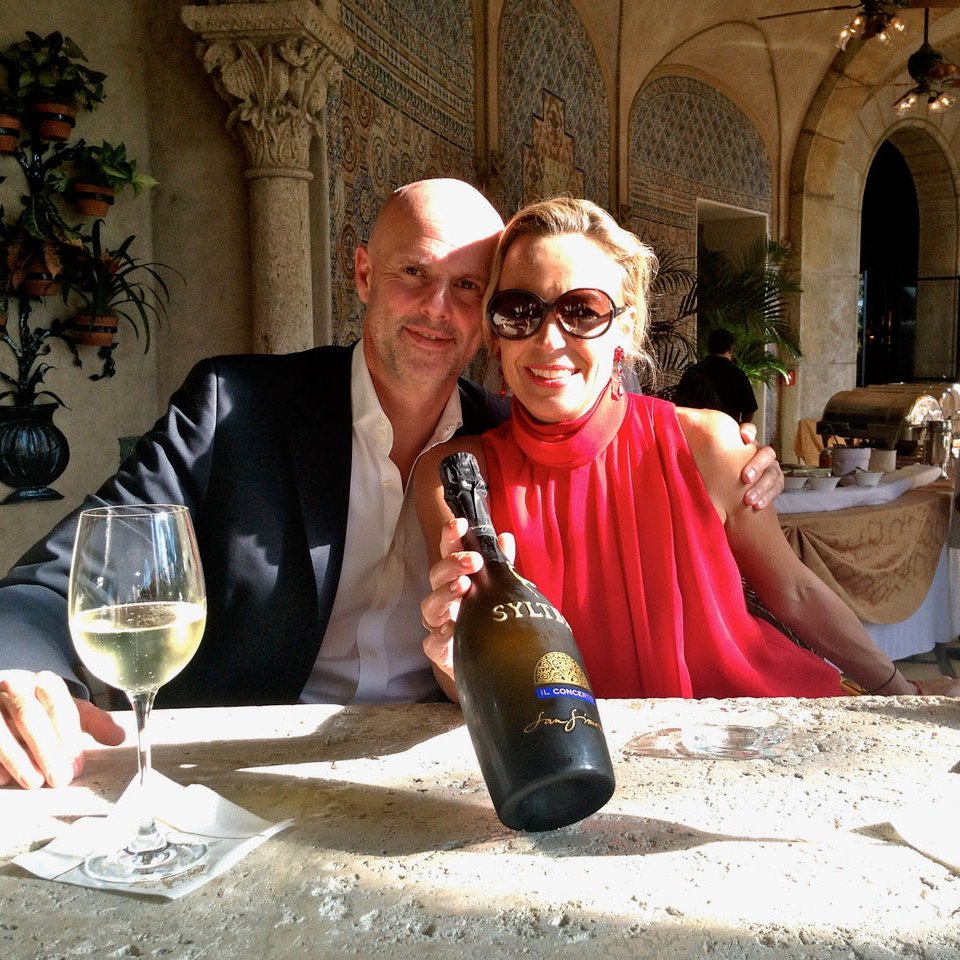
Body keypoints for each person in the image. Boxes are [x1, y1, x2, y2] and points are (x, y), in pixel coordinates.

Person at [0, 180, 783, 790]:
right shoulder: (233, 408)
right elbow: (68, 573)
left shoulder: (509, 441)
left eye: (470, 287)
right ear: (364, 273)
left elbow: (622, 452)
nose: (439, 310)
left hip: (447, 762)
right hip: (245, 770)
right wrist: (12, 667)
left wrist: (743, 458)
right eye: (414, 273)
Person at [415, 196, 960, 703]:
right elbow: (468, 661)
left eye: (582, 311)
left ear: (624, 328)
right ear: (494, 333)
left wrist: (894, 689)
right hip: (570, 752)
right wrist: (453, 659)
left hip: (742, 732)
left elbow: (792, 591)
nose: (549, 339)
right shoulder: (456, 479)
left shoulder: (707, 443)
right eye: (519, 310)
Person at [673, 327, 758, 424]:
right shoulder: (738, 375)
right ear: (730, 349)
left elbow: (678, 405)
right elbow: (749, 410)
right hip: (726, 433)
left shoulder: (693, 372)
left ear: (709, 348)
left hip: (695, 432)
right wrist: (738, 427)